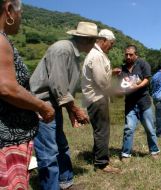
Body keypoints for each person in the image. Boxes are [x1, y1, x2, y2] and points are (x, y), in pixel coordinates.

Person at [30, 22, 101, 190]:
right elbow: (58, 86)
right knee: (49, 152)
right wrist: (76, 109)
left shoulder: (74, 55)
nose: (95, 44)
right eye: (94, 40)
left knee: (61, 145)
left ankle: (65, 182)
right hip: (42, 104)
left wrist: (70, 111)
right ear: (87, 39)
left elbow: (67, 87)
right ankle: (51, 187)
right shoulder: (62, 49)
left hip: (54, 104)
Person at [0, 0, 54, 189]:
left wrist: (32, 105)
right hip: (6, 142)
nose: (21, 18)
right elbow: (7, 88)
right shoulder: (0, 39)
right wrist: (42, 106)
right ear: (8, 10)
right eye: (20, 12)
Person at [82, 29, 121, 173]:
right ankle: (102, 163)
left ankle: (99, 157)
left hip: (94, 98)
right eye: (111, 43)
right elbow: (101, 82)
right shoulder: (97, 56)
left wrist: (111, 72)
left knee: (100, 130)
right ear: (103, 40)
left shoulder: (95, 54)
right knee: (102, 131)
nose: (111, 46)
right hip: (98, 98)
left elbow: (98, 75)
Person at [120, 45, 160, 161]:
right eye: (126, 54)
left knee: (149, 128)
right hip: (130, 104)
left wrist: (136, 86)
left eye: (130, 54)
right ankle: (126, 154)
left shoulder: (143, 64)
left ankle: (154, 151)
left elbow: (147, 79)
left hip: (144, 102)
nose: (128, 56)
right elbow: (122, 84)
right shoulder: (122, 69)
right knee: (129, 128)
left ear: (135, 54)